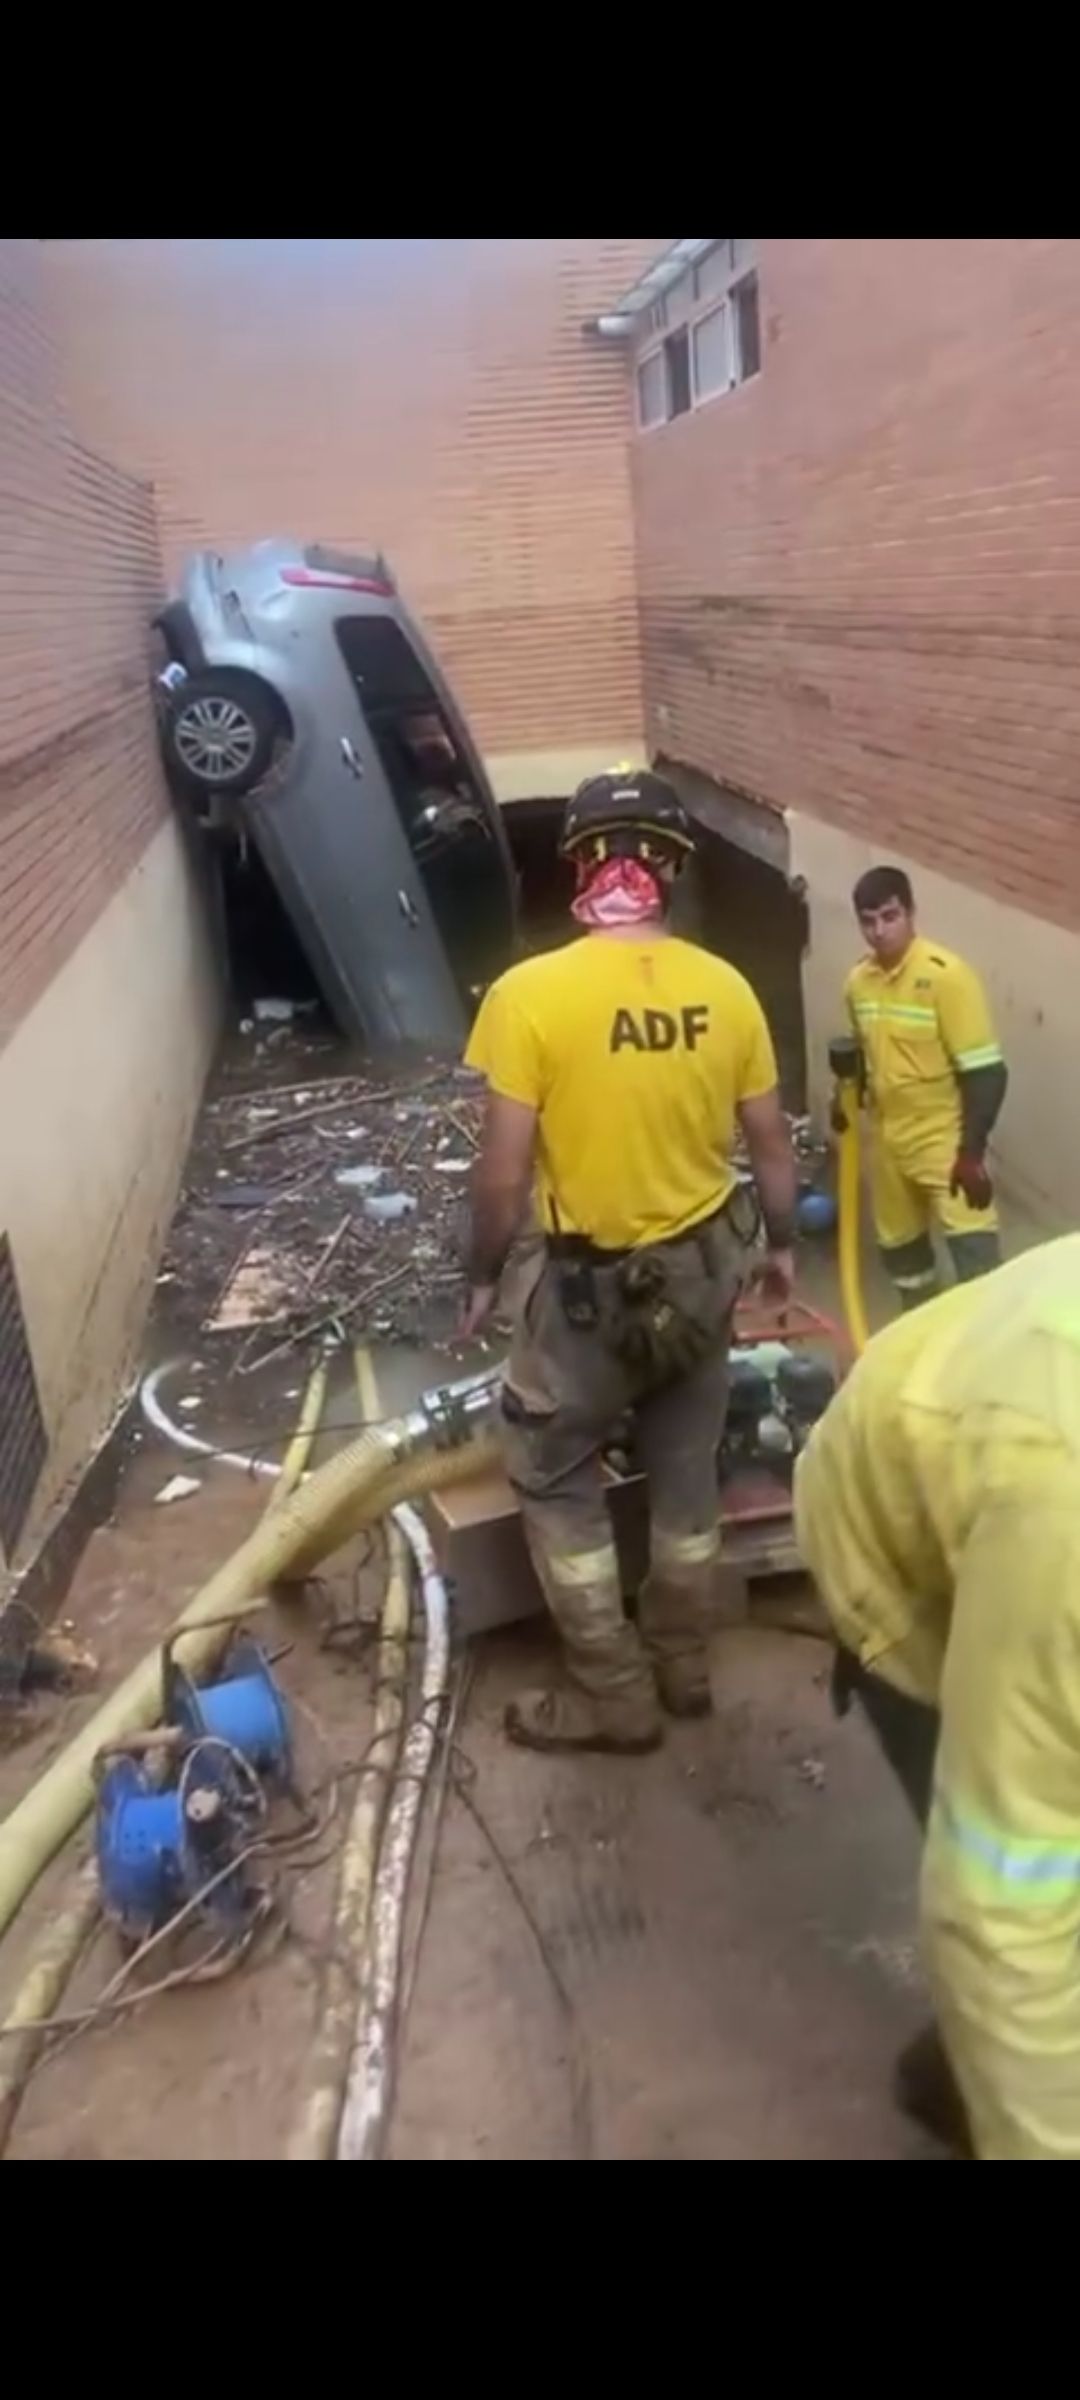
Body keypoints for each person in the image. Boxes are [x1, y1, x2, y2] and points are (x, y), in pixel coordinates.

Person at [460, 767, 797, 1755]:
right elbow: (773, 1148)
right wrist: (780, 1250)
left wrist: (482, 1275)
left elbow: (501, 1179)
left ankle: (614, 1694)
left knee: (551, 1464)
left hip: (585, 1297)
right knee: (687, 1468)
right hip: (705, 1273)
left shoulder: (529, 996)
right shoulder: (725, 989)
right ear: (674, 866)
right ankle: (683, 1666)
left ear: (580, 866)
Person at [794, 1236, 1080, 2162]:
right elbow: (1010, 1903)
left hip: (986, 1403)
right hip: (896, 1536)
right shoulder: (1064, 1522)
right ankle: (965, 2080)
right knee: (1032, 1884)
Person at [843, 865, 1007, 1308]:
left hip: (944, 1143)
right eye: (868, 920)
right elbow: (864, 1055)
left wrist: (971, 1154)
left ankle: (980, 1362)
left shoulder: (946, 976)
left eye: (890, 917)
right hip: (889, 1144)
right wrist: (844, 1095)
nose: (879, 931)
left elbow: (987, 1071)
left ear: (912, 913)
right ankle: (921, 1347)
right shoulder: (859, 982)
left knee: (977, 1267)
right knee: (905, 1263)